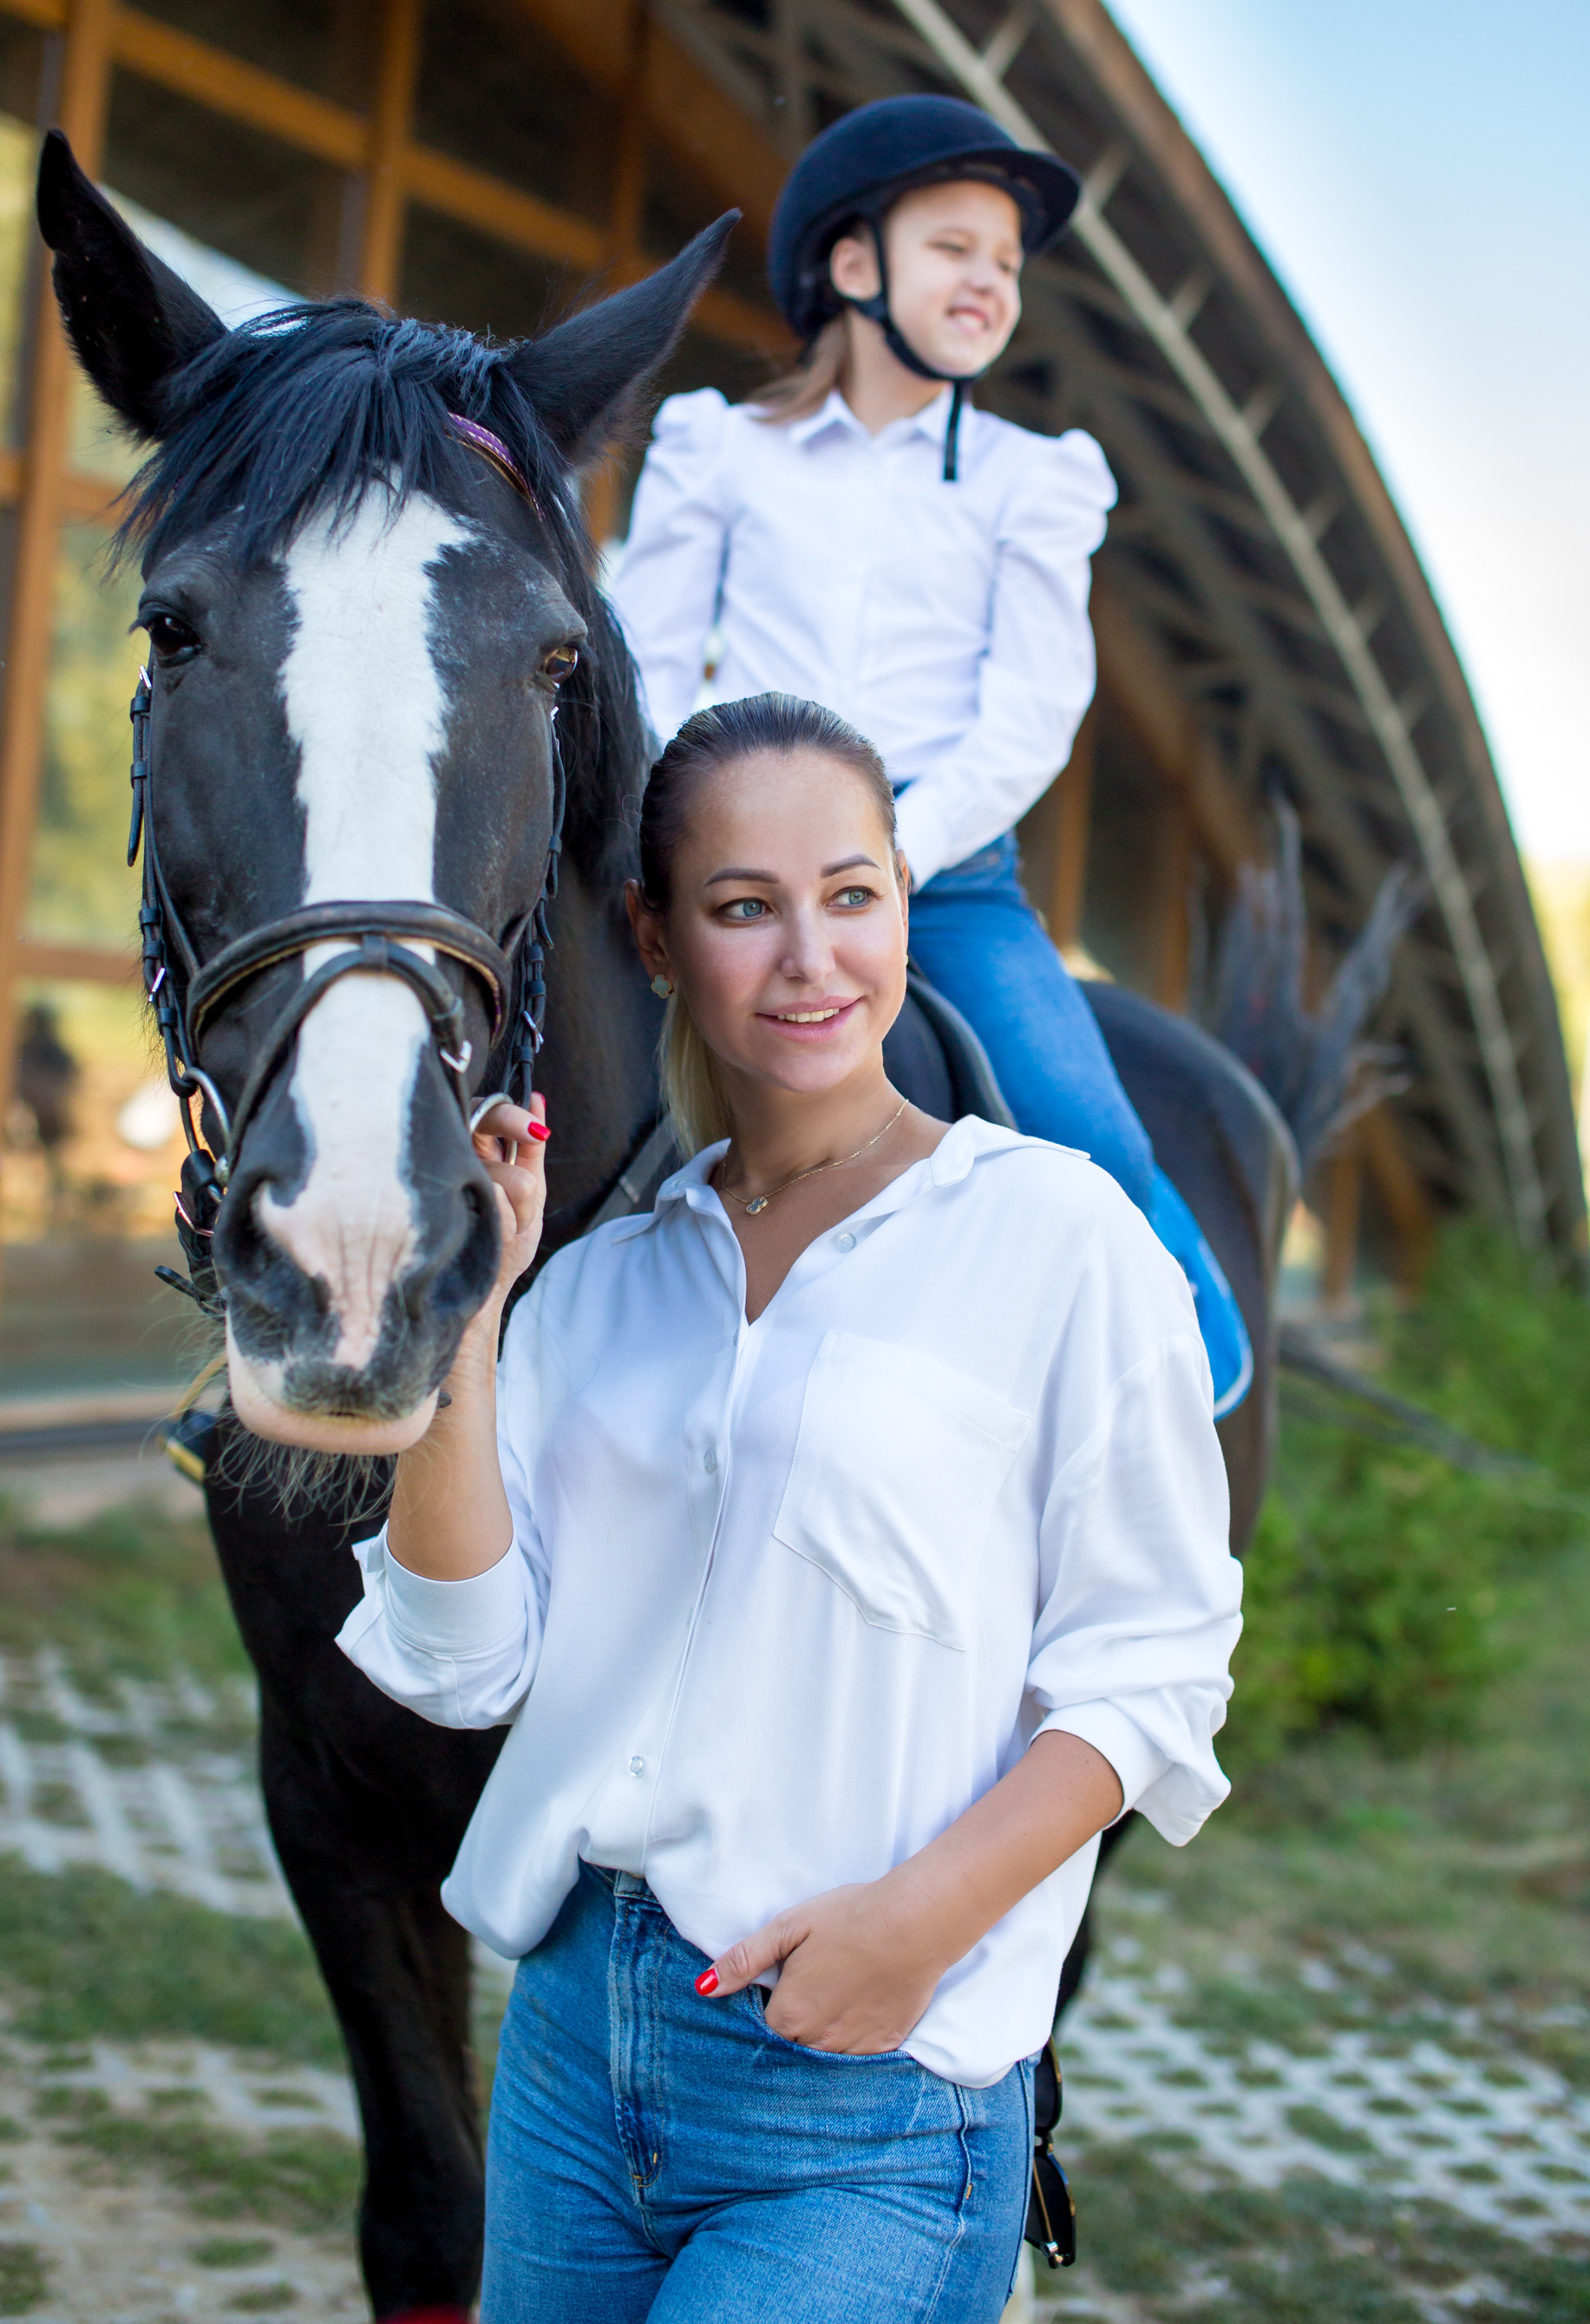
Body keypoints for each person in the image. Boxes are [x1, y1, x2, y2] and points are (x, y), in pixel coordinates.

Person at [338, 695, 1241, 2324]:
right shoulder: (602, 1288)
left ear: (905, 898)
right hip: (570, 2053)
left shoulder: (1058, 1238)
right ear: (658, 937)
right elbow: (462, 1659)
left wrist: (920, 1926)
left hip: (870, 2086)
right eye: (746, 907)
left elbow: (1154, 1666)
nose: (812, 957)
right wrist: (466, 1314)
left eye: (853, 894)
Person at [608, 94, 1251, 1415]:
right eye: (956, 247)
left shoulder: (1036, 476)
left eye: (1008, 264)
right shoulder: (718, 448)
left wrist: (892, 855)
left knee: (1089, 1128)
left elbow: (1033, 709)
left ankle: (1195, 1384)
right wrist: (693, 831)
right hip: (721, 843)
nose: (990, 282)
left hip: (939, 868)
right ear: (855, 267)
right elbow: (649, 655)